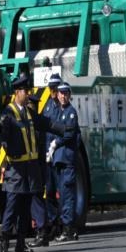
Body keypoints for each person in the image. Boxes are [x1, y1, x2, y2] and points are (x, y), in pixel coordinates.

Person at [0, 75, 64, 252]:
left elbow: (45, 123)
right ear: (17, 92)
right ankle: (4, 242)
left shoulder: (29, 113)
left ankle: (20, 243)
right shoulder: (8, 113)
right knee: (12, 206)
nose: (28, 93)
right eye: (25, 91)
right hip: (16, 168)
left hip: (30, 168)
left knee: (25, 208)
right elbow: (4, 133)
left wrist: (65, 128)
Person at [28, 73, 62, 248]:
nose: (53, 92)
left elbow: (56, 128)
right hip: (44, 158)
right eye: (51, 89)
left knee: (56, 191)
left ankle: (55, 226)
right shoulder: (47, 107)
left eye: (55, 88)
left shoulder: (61, 107)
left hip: (55, 155)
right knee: (47, 193)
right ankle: (51, 225)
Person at [52, 82, 80, 242]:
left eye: (65, 93)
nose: (63, 96)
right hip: (60, 160)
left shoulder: (71, 113)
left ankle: (68, 229)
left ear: (69, 95)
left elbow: (69, 134)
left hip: (67, 159)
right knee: (62, 196)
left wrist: (56, 143)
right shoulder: (59, 112)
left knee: (67, 196)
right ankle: (70, 228)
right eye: (61, 93)